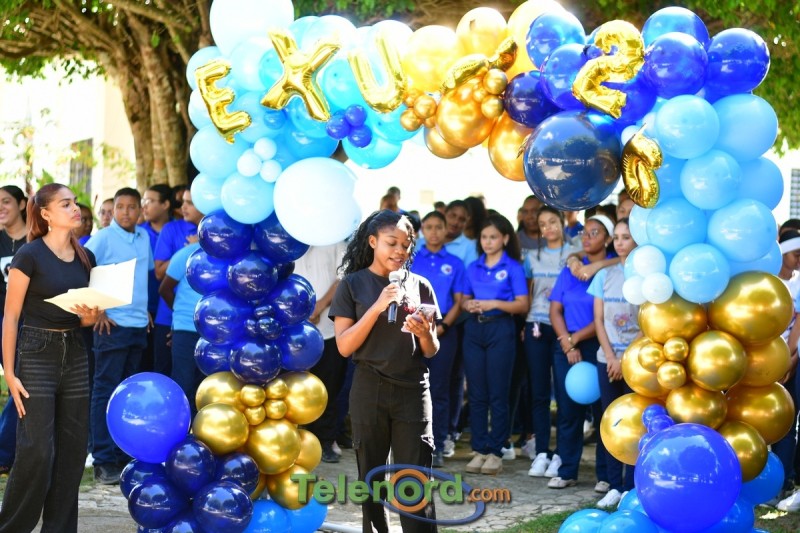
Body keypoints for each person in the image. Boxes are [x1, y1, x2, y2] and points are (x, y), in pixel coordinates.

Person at [329, 209, 440, 533]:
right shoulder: (351, 285)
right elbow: (344, 346)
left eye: (406, 245)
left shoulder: (421, 286)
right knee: (372, 480)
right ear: (372, 242)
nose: (399, 251)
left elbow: (432, 349)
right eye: (392, 243)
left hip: (412, 391)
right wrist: (378, 306)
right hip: (370, 389)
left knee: (414, 482)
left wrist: (424, 333)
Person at [0, 183, 100, 532]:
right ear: (45, 214)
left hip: (76, 353)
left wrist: (91, 316)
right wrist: (9, 373)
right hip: (35, 352)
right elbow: (11, 316)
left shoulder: (87, 258)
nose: (75, 209)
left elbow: (88, 320)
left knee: (72, 452)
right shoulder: (28, 256)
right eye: (66, 204)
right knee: (37, 451)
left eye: (75, 203)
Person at [85, 187, 153, 485]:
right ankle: (102, 460)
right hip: (111, 327)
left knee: (127, 393)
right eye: (120, 207)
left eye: (131, 207)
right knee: (105, 391)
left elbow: (142, 278)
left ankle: (123, 455)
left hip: (138, 325)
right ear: (113, 211)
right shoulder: (103, 237)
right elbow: (82, 267)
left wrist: (145, 310)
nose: (125, 212)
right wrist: (97, 308)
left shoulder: (144, 237)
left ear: (140, 210)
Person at [547, 215, 615, 490]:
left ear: (608, 239)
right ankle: (567, 471)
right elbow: (555, 309)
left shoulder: (611, 270)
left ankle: (605, 475)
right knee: (568, 410)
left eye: (595, 233)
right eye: (585, 233)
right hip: (566, 344)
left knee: (602, 411)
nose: (587, 238)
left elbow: (603, 316)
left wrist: (575, 339)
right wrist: (567, 341)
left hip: (597, 343)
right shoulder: (571, 269)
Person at [461, 213, 529, 476]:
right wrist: (469, 304)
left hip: (501, 328)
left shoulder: (513, 267)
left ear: (505, 239)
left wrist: (493, 304)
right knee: (477, 393)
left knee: (498, 393)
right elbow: (463, 299)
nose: (488, 242)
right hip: (474, 329)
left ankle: (496, 451)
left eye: (493, 237)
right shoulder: (473, 267)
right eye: (484, 237)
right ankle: (479, 449)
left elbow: (522, 305)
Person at [524, 206, 580, 478]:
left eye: (553, 221)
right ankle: (542, 452)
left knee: (565, 394)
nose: (549, 227)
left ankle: (561, 454)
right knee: (539, 394)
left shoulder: (575, 252)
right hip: (535, 325)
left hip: (564, 329)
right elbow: (528, 293)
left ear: (562, 222)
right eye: (543, 223)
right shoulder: (530, 257)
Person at [587, 217, 638, 507]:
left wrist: (624, 359)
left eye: (626, 237)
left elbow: (648, 323)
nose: (620, 242)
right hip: (606, 360)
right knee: (610, 422)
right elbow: (598, 319)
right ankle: (613, 484)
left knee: (633, 423)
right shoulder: (603, 276)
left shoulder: (645, 275)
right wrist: (610, 357)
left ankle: (631, 485)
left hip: (635, 361)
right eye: (616, 237)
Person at [410, 211, 466, 468]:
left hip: (444, 333)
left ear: (445, 231)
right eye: (429, 227)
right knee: (412, 388)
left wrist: (442, 327)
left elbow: (459, 301)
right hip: (412, 331)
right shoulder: (411, 259)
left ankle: (438, 444)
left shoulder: (455, 263)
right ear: (422, 231)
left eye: (438, 227)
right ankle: (413, 443)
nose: (433, 232)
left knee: (439, 390)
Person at [295, 242, 348, 464]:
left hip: (328, 328)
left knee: (328, 387)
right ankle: (293, 441)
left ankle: (326, 440)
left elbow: (343, 277)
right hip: (293, 330)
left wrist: (320, 305)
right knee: (294, 386)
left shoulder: (335, 239)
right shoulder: (288, 237)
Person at [152, 188, 202, 376]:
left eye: (190, 203)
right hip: (177, 320)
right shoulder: (172, 230)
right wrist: (190, 250)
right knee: (175, 376)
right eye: (183, 202)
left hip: (211, 327)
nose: (183, 207)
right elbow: (161, 277)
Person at [0, 185, 28, 474]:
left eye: (6, 201)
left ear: (21, 204)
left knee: (20, 381)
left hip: (28, 321)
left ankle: (5, 451)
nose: (0, 207)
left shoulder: (35, 240)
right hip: (3, 320)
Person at [158, 241, 203, 414]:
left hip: (215, 333)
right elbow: (165, 289)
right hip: (185, 330)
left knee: (205, 387)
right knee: (183, 383)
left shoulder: (228, 257)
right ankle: (181, 428)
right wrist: (180, 316)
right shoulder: (186, 254)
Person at [773, 230, 800, 510]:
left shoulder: (797, 283)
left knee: (786, 423)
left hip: (788, 363)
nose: (798, 261)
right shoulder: (768, 282)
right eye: (795, 255)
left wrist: (790, 359)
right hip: (765, 363)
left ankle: (783, 481)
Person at [139, 184, 173, 373]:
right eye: (143, 200)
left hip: (169, 310)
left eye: (150, 201)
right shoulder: (138, 233)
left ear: (165, 204)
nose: (144, 205)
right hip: (142, 309)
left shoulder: (180, 229)